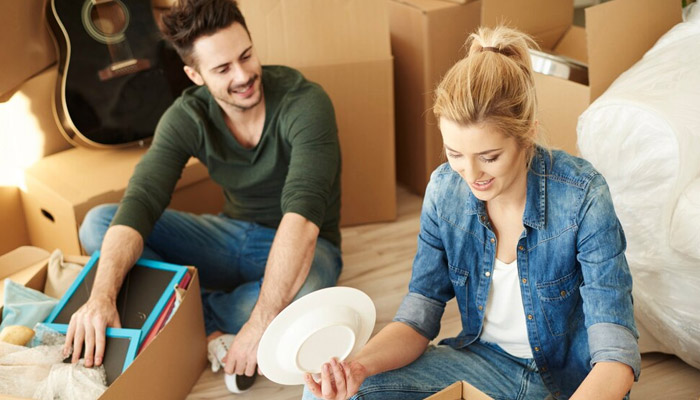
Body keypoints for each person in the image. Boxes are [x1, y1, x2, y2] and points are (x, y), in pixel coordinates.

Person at [303, 26, 640, 400]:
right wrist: (358, 368)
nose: (471, 175)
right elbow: (419, 317)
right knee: (333, 396)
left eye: (489, 157)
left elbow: (615, 354)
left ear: (527, 133)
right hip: (486, 365)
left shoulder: (583, 197)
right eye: (455, 154)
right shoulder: (444, 191)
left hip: (575, 381)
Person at [64, 0, 342, 392]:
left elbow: (303, 220)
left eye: (246, 56)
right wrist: (100, 299)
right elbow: (141, 200)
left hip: (306, 243)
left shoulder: (305, 103)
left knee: (313, 284)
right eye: (223, 69)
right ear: (195, 74)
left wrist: (258, 324)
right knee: (99, 223)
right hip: (229, 235)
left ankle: (187, 316)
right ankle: (209, 318)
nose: (244, 75)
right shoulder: (187, 116)